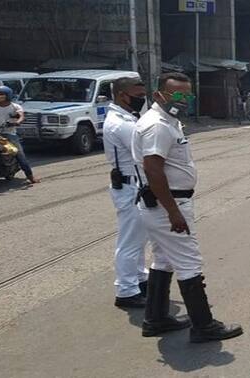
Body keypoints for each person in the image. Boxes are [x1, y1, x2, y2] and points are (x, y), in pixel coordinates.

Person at [132, 72, 242, 343]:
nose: (183, 101)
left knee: (164, 259)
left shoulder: (169, 121)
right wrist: (173, 212)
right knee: (189, 263)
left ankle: (155, 319)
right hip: (167, 204)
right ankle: (204, 326)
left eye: (187, 95)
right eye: (177, 95)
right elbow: (153, 170)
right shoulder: (157, 125)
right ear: (159, 95)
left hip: (164, 203)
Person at [104, 77, 149, 308]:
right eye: (138, 95)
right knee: (130, 241)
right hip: (130, 187)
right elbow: (145, 148)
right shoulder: (121, 123)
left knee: (139, 239)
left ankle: (139, 280)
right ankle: (126, 290)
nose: (142, 99)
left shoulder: (128, 117)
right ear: (122, 95)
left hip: (135, 184)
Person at [0, 85, 40, 184]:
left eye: (2, 95)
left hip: (8, 133)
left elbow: (21, 116)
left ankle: (30, 177)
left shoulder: (15, 106)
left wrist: (17, 122)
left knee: (19, 154)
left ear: (8, 95)